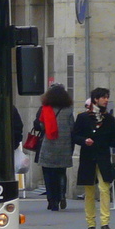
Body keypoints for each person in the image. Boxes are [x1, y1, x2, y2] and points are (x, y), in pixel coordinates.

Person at [71, 87, 115, 229]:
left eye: (107, 97)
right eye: (103, 97)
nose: (106, 100)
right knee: (89, 192)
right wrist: (85, 140)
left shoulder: (109, 119)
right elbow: (74, 136)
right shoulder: (83, 117)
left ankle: (105, 223)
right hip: (88, 157)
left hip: (103, 157)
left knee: (105, 189)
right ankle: (91, 224)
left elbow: (112, 139)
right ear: (96, 99)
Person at [35, 84, 74, 212]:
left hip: (49, 145)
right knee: (61, 173)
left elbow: (40, 126)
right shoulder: (68, 109)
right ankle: (61, 195)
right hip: (64, 145)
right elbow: (72, 127)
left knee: (48, 174)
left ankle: (52, 201)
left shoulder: (45, 108)